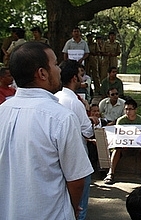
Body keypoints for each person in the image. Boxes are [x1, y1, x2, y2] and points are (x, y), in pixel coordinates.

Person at [0, 41, 93, 219]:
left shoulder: (2, 112)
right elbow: (76, 179)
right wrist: (72, 209)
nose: (59, 70)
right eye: (55, 64)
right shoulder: (61, 118)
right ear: (42, 73)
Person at [56, 59, 98, 220]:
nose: (82, 78)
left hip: (58, 159)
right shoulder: (75, 102)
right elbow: (87, 132)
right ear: (75, 78)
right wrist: (91, 121)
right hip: (76, 158)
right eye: (81, 74)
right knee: (79, 208)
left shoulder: (56, 97)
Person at [104, 98, 141, 185]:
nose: (128, 112)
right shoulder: (121, 120)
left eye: (130, 109)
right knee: (116, 149)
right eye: (126, 109)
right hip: (124, 147)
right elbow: (118, 135)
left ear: (135, 110)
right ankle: (111, 173)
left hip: (138, 146)